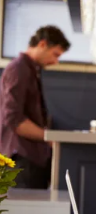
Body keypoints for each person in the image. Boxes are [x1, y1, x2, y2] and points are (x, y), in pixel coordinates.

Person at [0, 26, 70, 189]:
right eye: (55, 54)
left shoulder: (29, 69)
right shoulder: (18, 69)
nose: (55, 61)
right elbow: (14, 120)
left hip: (29, 159)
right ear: (43, 44)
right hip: (21, 160)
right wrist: (49, 137)